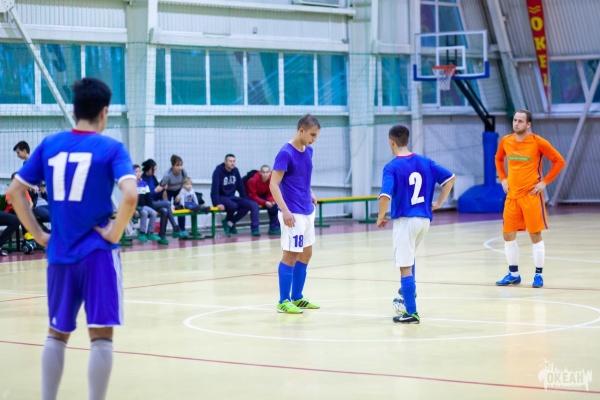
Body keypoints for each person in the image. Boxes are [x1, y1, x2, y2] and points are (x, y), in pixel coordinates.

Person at [6, 77, 138, 400]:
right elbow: (131, 195)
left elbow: (15, 192)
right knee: (101, 337)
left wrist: (38, 234)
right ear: (104, 112)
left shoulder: (50, 144)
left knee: (56, 333)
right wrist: (114, 232)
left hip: (60, 254)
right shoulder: (111, 149)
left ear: (75, 110)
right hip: (98, 254)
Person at [376, 124, 455, 324]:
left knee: (404, 266)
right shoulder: (425, 161)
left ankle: (411, 312)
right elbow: (450, 178)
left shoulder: (392, 167)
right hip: (424, 219)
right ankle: (409, 291)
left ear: (391, 142)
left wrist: (381, 216)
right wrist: (439, 203)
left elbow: (385, 195)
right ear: (407, 140)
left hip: (406, 220)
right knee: (409, 258)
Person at [494, 109, 565, 288]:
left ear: (528, 124)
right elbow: (498, 158)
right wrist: (503, 178)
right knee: (508, 235)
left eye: (520, 121)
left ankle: (538, 275)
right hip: (512, 197)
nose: (516, 123)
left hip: (531, 196)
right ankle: (513, 274)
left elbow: (559, 161)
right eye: (515, 120)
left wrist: (544, 182)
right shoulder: (506, 141)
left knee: (535, 235)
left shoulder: (538, 142)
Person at [270, 114, 321, 314]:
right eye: (312, 135)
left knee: (306, 254)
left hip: (307, 210)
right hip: (292, 212)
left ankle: (297, 297)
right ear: (301, 131)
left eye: (316, 136)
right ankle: (283, 301)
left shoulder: (309, 151)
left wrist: (310, 192)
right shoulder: (285, 153)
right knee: (291, 255)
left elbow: (302, 177)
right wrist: (284, 210)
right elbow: (273, 184)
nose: (314, 139)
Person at [211, 154, 260, 237]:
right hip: (221, 197)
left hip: (231, 196)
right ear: (225, 162)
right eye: (230, 161)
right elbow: (214, 189)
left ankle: (230, 222)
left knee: (247, 205)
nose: (232, 163)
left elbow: (240, 186)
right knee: (233, 206)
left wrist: (245, 199)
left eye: (234, 161)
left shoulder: (235, 171)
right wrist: (217, 203)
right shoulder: (218, 171)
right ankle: (229, 222)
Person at [141, 158, 184, 244]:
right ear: (150, 169)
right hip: (148, 204)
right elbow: (146, 196)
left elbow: (158, 193)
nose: (155, 171)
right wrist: (156, 191)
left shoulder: (153, 177)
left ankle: (162, 235)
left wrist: (163, 189)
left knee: (165, 211)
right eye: (154, 169)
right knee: (167, 203)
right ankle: (175, 228)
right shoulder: (143, 179)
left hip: (155, 202)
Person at [245, 165, 281, 235]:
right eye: (263, 172)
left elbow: (270, 193)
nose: (265, 174)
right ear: (260, 172)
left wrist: (271, 201)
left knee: (274, 205)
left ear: (270, 173)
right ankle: (255, 229)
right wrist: (265, 202)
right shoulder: (253, 180)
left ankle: (273, 228)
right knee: (254, 206)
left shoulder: (271, 180)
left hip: (262, 195)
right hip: (250, 196)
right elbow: (253, 195)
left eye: (267, 172)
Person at [161, 154, 188, 236]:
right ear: (172, 166)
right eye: (177, 165)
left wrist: (180, 194)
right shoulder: (167, 175)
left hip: (179, 190)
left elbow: (184, 183)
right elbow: (163, 188)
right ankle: (163, 233)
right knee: (166, 210)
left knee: (181, 208)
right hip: (168, 191)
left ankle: (182, 230)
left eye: (181, 165)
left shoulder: (183, 172)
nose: (180, 167)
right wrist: (167, 202)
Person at [134, 164, 160, 243]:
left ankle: (150, 233)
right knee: (144, 213)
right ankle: (142, 233)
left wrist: (152, 208)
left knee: (154, 213)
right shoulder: (131, 185)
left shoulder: (144, 184)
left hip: (143, 206)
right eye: (136, 172)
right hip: (136, 208)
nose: (138, 173)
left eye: (139, 171)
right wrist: (134, 210)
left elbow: (148, 198)